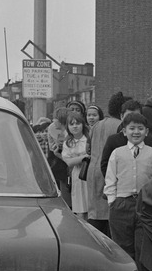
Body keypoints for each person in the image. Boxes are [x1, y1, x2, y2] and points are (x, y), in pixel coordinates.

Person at [104, 112, 152, 271]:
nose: (136, 132)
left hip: (144, 205)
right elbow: (110, 178)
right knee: (122, 245)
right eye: (132, 128)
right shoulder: (117, 153)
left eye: (140, 128)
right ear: (124, 131)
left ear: (146, 132)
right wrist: (112, 201)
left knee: (142, 244)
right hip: (121, 204)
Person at [86, 92, 125, 236]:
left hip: (92, 170)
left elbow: (88, 148)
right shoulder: (120, 126)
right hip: (107, 171)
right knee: (108, 215)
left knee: (94, 213)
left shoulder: (97, 125)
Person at [100, 99, 143, 176]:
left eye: (136, 116)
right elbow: (105, 166)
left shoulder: (150, 140)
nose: (132, 120)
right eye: (128, 116)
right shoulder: (113, 141)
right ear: (121, 116)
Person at [60, 111, 90, 219]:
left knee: (90, 206)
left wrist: (76, 158)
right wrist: (84, 157)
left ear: (83, 124)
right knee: (80, 209)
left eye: (77, 123)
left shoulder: (89, 139)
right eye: (71, 124)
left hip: (90, 173)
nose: (75, 126)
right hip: (78, 175)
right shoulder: (68, 142)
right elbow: (69, 162)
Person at [47, 106, 72, 206]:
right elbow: (56, 145)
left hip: (66, 162)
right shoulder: (53, 127)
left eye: (55, 118)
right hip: (59, 162)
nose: (53, 121)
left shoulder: (71, 129)